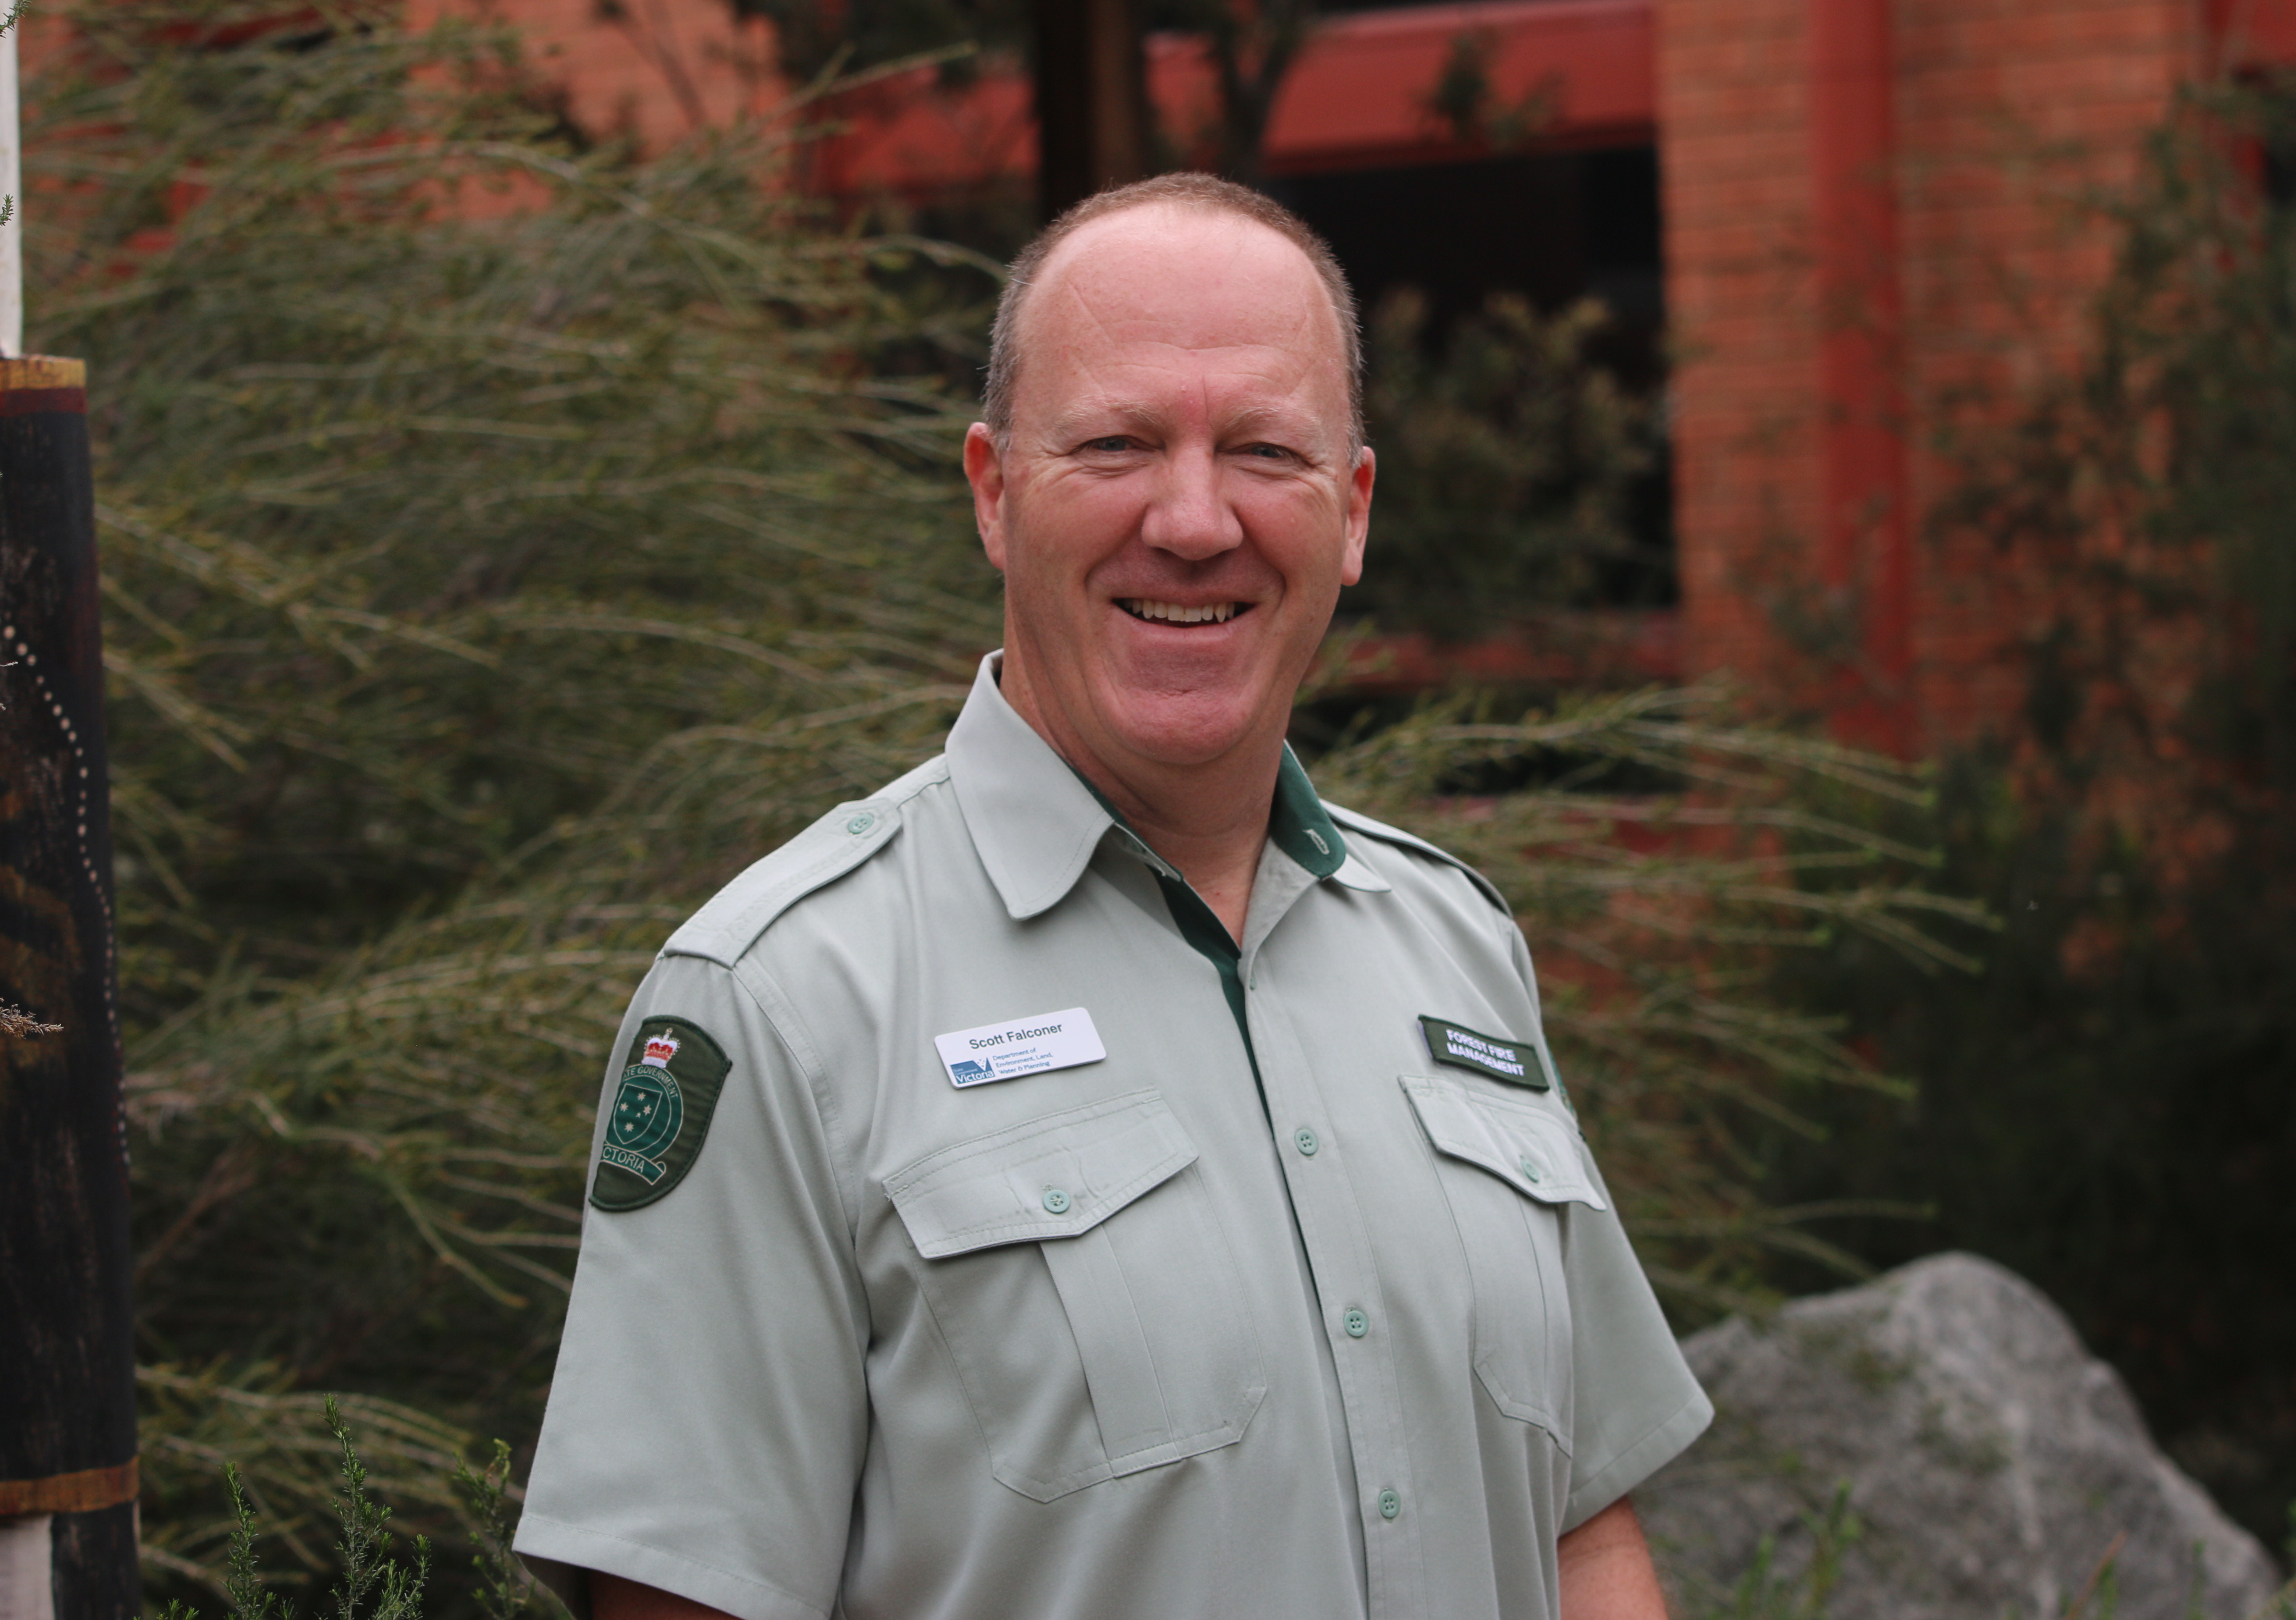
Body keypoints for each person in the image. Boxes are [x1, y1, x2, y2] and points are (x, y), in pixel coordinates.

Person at [513, 174, 1710, 1620]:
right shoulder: (783, 1001)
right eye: (1119, 443)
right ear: (995, 492)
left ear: (1354, 513)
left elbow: (1581, 1532)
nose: (1196, 521)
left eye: (1266, 449)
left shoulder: (1453, 947)